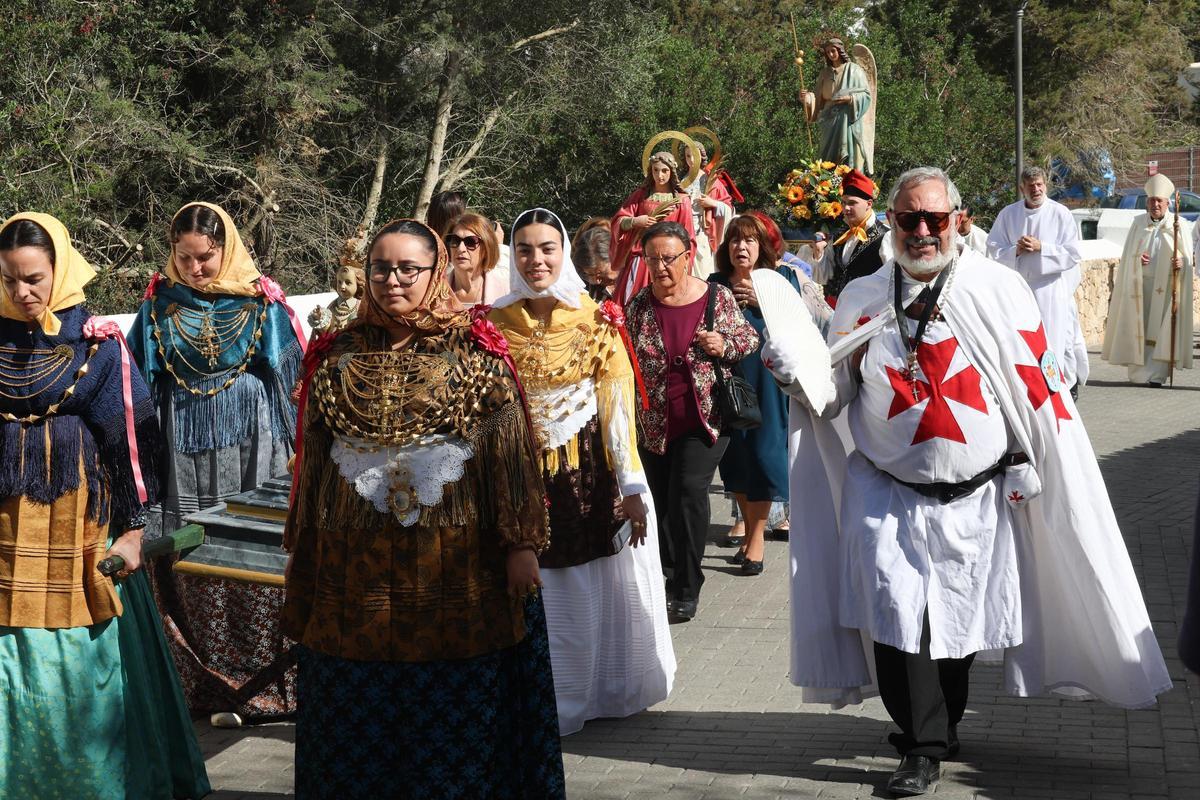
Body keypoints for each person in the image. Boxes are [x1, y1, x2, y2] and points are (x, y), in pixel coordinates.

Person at [764, 167, 1170, 796]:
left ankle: (941, 724)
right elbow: (834, 392)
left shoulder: (999, 291)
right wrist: (796, 372)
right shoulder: (862, 297)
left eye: (934, 218)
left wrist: (1040, 465)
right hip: (885, 490)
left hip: (975, 498)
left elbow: (1037, 392)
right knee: (896, 617)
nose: (922, 231)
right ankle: (922, 744)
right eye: (908, 219)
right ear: (891, 223)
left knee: (954, 625)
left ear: (957, 220)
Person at [282, 218, 564, 799]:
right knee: (354, 709)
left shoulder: (477, 353)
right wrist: (301, 549)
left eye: (408, 268)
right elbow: (309, 462)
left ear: (436, 273)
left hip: (455, 567)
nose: (392, 281)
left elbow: (509, 454)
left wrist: (520, 545)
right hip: (351, 568)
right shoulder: (335, 355)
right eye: (381, 268)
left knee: (453, 710)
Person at [0, 213, 210, 798]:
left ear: (60, 271)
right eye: (11, 279)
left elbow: (133, 449)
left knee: (85, 673)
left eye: (35, 278)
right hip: (5, 549)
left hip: (80, 541)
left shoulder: (97, 351)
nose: (23, 293)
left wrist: (136, 533)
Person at [490, 208, 674, 735]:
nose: (536, 259)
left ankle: (577, 697)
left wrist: (632, 486)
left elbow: (618, 409)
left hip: (580, 477)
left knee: (576, 590)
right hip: (514, 474)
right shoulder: (492, 323)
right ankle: (527, 699)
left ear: (564, 252)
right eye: (524, 249)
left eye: (547, 248)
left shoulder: (597, 320)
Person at [128, 201, 306, 722]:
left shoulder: (261, 303)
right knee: (189, 548)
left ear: (225, 249)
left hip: (252, 444)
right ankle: (200, 681)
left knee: (252, 550)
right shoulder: (159, 304)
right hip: (180, 441)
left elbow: (292, 382)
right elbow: (138, 383)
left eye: (205, 257)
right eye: (184, 259)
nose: (195, 269)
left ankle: (267, 683)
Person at [624, 221, 758, 621]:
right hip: (655, 422)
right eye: (653, 259)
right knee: (662, 502)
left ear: (687, 256)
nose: (661, 267)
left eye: (669, 258)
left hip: (706, 418)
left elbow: (749, 339)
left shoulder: (716, 297)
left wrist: (724, 344)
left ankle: (686, 585)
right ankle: (666, 573)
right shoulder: (639, 307)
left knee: (687, 492)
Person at [708, 215, 801, 575]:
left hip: (767, 381)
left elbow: (798, 326)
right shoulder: (714, 284)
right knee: (736, 460)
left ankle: (758, 539)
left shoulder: (783, 280)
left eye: (749, 241)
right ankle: (747, 529)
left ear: (763, 246)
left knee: (764, 455)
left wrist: (764, 303)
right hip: (727, 381)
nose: (741, 247)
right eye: (734, 240)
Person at [987, 166, 1089, 390]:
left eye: (1040, 185)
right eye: (1031, 186)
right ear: (1022, 188)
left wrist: (1042, 247)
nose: (1036, 189)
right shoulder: (1008, 214)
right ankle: (1025, 388)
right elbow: (993, 249)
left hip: (1049, 291)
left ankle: (1056, 389)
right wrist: (1015, 250)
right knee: (1020, 343)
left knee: (1051, 342)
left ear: (1046, 185)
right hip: (1018, 291)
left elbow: (1073, 254)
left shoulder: (1060, 213)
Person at [1101, 173, 1194, 386]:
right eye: (1151, 201)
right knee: (1139, 328)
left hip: (1167, 287)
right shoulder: (1137, 224)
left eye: (1158, 201)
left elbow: (1187, 259)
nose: (1154, 205)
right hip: (1141, 287)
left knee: (1161, 331)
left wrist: (1181, 262)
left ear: (1167, 203)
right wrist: (1137, 259)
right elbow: (1128, 258)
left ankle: (1157, 375)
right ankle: (1139, 374)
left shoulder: (1178, 225)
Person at [610, 152, 696, 305]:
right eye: (655, 170)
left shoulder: (681, 201)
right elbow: (618, 221)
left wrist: (683, 265)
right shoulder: (641, 195)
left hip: (669, 264)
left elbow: (688, 237)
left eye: (664, 171)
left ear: (672, 172)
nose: (660, 175)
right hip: (641, 261)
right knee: (632, 302)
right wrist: (635, 221)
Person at [811, 168, 893, 301]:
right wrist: (819, 252)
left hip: (868, 316)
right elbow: (822, 279)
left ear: (869, 204)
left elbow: (894, 284)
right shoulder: (839, 236)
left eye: (852, 203)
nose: (846, 208)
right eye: (843, 202)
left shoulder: (886, 236)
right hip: (836, 313)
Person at [800, 37, 874, 174]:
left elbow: (866, 95)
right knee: (826, 155)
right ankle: (827, 182)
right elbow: (817, 98)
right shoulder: (825, 73)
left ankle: (847, 180)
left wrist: (850, 98)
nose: (830, 54)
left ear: (840, 51)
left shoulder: (854, 70)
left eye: (833, 51)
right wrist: (806, 98)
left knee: (846, 154)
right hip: (828, 118)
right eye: (827, 52)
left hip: (847, 118)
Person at [682, 141, 737, 279]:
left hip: (703, 232)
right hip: (683, 230)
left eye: (694, 155)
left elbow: (728, 208)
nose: (691, 160)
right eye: (688, 156)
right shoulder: (681, 182)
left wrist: (711, 203)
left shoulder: (711, 181)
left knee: (702, 267)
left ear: (702, 157)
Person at [444, 211, 510, 307]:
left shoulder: (506, 290)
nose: (460, 248)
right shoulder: (435, 290)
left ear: (486, 248)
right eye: (455, 240)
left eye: (470, 242)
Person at [573, 224, 620, 301]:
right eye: (589, 274)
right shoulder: (583, 288)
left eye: (600, 274)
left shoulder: (638, 279)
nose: (596, 281)